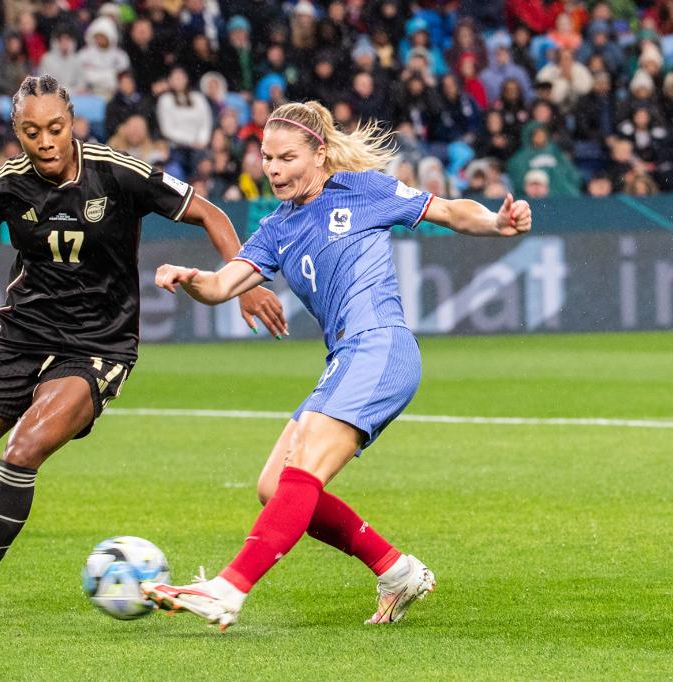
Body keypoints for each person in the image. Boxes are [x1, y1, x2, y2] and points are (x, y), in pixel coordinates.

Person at [0, 74, 285, 628]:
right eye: (31, 132)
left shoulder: (117, 172)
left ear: (73, 123)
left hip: (99, 344)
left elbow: (210, 212)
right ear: (16, 132)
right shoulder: (0, 187)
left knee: (22, 451)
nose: (45, 141)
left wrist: (245, 282)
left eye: (55, 128)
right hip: (21, 336)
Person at [143, 100, 532, 630]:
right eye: (267, 158)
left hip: (381, 345)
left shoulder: (363, 190)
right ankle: (395, 570)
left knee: (302, 468)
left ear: (319, 153)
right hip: (345, 358)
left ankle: (227, 590)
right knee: (274, 487)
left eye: (286, 158)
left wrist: (495, 221)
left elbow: (448, 211)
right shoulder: (276, 228)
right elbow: (219, 286)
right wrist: (192, 278)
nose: (273, 169)